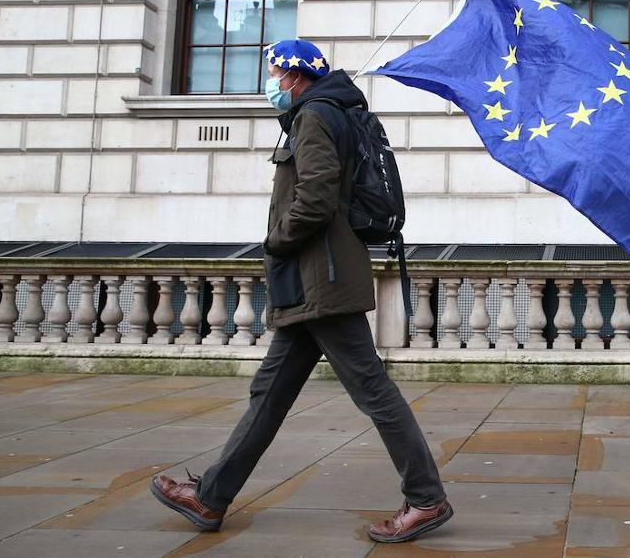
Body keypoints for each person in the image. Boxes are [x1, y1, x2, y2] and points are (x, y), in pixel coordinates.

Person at [150, 39, 453, 544]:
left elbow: (315, 194)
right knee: (269, 393)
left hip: (321, 279)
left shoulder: (315, 116)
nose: (270, 81)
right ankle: (211, 497)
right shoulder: (327, 112)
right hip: (313, 280)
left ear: (294, 76)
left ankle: (426, 499)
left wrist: (276, 239)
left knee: (374, 392)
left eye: (273, 72)